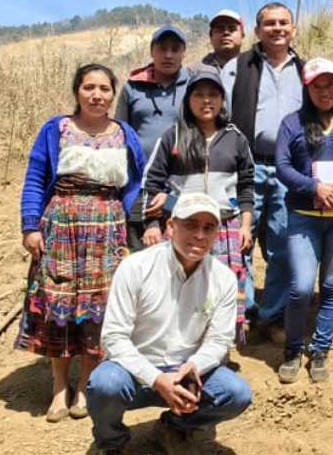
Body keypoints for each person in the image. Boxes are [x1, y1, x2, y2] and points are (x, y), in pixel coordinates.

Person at [17, 63, 147, 423]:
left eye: (104, 89)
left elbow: (136, 183)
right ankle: (59, 388)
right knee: (58, 307)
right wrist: (31, 227)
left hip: (106, 231)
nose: (97, 95)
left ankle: (86, 385)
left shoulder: (124, 134)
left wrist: (129, 224)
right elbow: (35, 178)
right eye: (89, 87)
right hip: (61, 227)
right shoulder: (56, 129)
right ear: (77, 91)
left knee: (99, 310)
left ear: (113, 94)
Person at [87, 192, 252, 455]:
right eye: (191, 225)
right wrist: (156, 378)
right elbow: (114, 337)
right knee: (104, 385)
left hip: (186, 374)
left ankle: (175, 427)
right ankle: (110, 443)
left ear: (217, 234)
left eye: (208, 228)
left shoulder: (223, 278)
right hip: (134, 371)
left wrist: (194, 365)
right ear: (171, 227)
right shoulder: (136, 267)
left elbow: (219, 340)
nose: (199, 235)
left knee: (236, 392)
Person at [141, 70, 255, 344]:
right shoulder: (173, 136)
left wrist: (246, 225)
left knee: (220, 290)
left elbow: (247, 185)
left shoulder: (235, 137)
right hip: (183, 228)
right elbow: (151, 183)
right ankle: (180, 349)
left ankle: (219, 352)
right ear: (188, 100)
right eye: (199, 94)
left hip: (224, 229)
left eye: (213, 94)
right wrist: (152, 225)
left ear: (222, 100)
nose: (206, 101)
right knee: (181, 290)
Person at [275, 59, 333, 382]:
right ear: (307, 88)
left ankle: (320, 350)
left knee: (331, 284)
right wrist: (314, 187)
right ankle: (292, 348)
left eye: (330, 84)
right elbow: (283, 167)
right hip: (303, 215)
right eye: (317, 85)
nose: (324, 91)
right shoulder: (291, 123)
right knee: (301, 286)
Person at [222, 2, 303, 343]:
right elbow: (220, 114)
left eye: (284, 22)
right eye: (269, 23)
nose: (277, 28)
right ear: (258, 31)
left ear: (294, 29)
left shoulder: (306, 69)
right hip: (247, 166)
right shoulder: (238, 67)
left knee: (283, 244)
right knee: (237, 244)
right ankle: (243, 315)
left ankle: (273, 318)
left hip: (289, 168)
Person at [116, 25, 190, 251]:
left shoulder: (194, 86)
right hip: (137, 184)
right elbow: (121, 133)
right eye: (162, 48)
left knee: (177, 252)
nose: (168, 55)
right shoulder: (132, 87)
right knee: (140, 252)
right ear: (151, 51)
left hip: (180, 183)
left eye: (175, 49)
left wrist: (171, 192)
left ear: (183, 53)